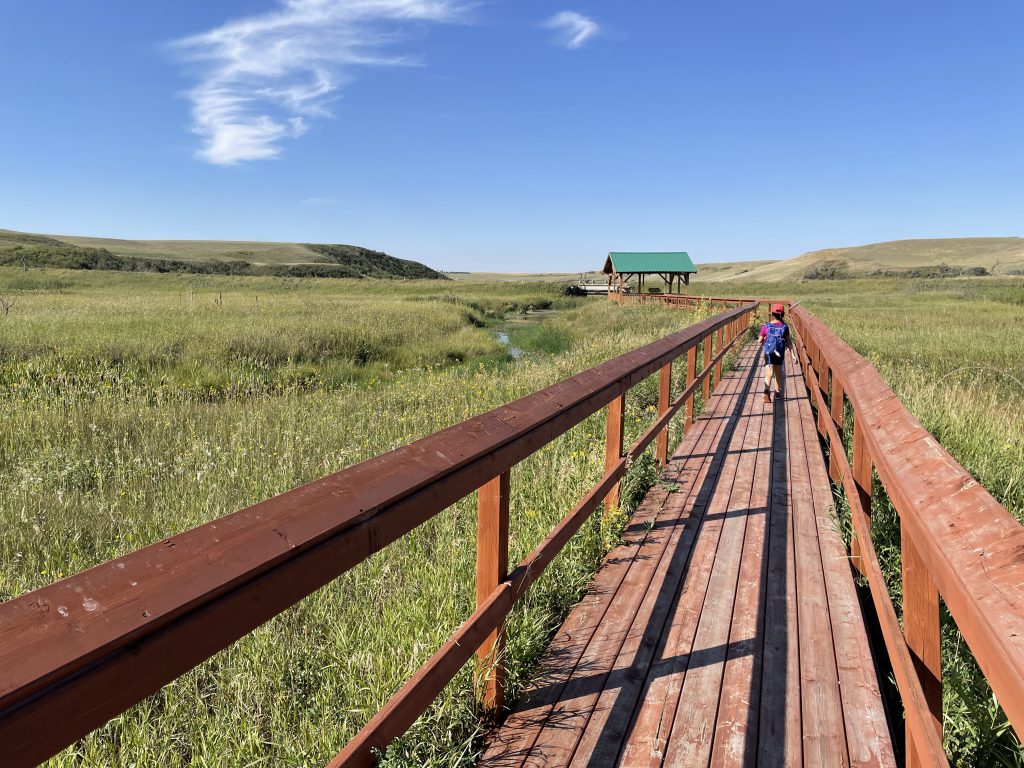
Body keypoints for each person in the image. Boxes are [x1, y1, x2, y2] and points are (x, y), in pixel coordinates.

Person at [759, 303, 790, 404]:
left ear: (772, 313)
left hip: (769, 352)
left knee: (769, 373)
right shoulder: (784, 327)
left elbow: (759, 340)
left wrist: (764, 339)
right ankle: (777, 393)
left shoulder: (766, 326)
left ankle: (766, 393)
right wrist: (792, 352)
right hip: (779, 353)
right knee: (778, 373)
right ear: (782, 314)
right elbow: (788, 341)